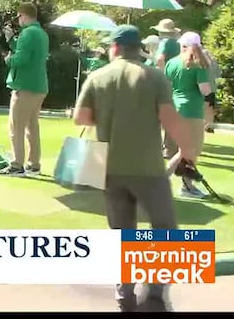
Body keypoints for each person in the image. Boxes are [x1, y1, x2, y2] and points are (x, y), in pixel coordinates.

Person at [73, 25, 196, 313]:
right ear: (137, 48)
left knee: (123, 234)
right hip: (148, 168)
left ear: (115, 48)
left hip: (110, 168)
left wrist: (112, 118)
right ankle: (154, 296)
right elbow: (169, 118)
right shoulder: (153, 76)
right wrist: (186, 150)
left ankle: (124, 297)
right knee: (165, 230)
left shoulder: (97, 77)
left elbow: (81, 118)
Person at [0, 3, 49, 176]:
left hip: (25, 85)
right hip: (39, 85)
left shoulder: (28, 33)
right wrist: (11, 40)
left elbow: (21, 58)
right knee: (31, 127)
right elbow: (24, 49)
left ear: (24, 16)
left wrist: (8, 59)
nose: (18, 20)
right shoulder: (41, 33)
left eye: (19, 17)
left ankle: (16, 164)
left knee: (16, 127)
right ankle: (34, 164)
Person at [164, 32, 213, 199]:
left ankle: (186, 185)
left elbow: (168, 87)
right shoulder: (198, 64)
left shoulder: (171, 63)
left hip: (176, 108)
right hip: (191, 110)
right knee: (190, 150)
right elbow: (204, 90)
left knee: (184, 150)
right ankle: (173, 183)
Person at [151, 18, 182, 158]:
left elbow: (159, 59)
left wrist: (162, 73)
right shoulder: (177, 43)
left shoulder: (165, 42)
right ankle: (170, 148)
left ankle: (161, 147)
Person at [203, 48, 221, 133]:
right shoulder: (213, 62)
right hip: (212, 87)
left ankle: (203, 125)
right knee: (210, 107)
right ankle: (209, 125)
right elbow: (218, 74)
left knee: (204, 106)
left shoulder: (200, 62)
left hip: (203, 87)